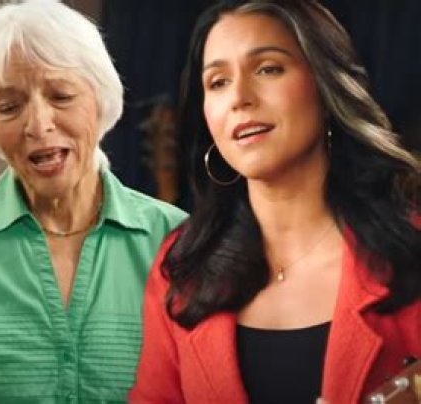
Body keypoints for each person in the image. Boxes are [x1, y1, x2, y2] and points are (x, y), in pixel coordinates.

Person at [129, 0, 420, 403]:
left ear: (325, 85)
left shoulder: (410, 249)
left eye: (268, 69)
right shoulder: (182, 268)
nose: (239, 98)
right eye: (217, 82)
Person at [0, 0, 187, 401]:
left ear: (100, 99)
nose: (38, 125)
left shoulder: (177, 240)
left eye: (61, 96)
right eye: (9, 107)